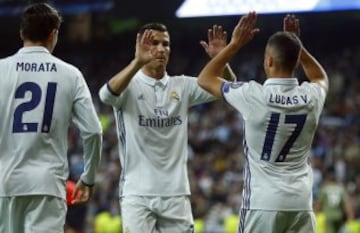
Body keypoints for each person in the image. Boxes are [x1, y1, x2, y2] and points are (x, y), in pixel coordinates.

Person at [198, 12, 329, 233]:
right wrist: (298, 46)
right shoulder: (311, 96)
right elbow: (320, 77)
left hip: (262, 204)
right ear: (297, 61)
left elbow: (205, 79)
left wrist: (233, 45)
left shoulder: (253, 95)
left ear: (268, 60)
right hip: (301, 204)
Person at [98, 22, 235, 232]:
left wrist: (221, 59)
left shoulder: (183, 86)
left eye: (166, 44)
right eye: (154, 43)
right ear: (140, 47)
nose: (161, 49)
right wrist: (136, 62)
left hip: (176, 193)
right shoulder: (129, 86)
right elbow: (106, 95)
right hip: (137, 194)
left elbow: (228, 87)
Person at [0, 3, 102, 233]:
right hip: (47, 184)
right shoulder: (70, 74)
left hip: (5, 183)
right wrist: (88, 177)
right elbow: (93, 131)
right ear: (53, 34)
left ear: (22, 33)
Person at [318, 167, 354, 233]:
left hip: (328, 217)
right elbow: (347, 206)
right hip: (338, 217)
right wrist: (350, 219)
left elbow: (319, 206)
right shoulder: (341, 189)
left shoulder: (324, 189)